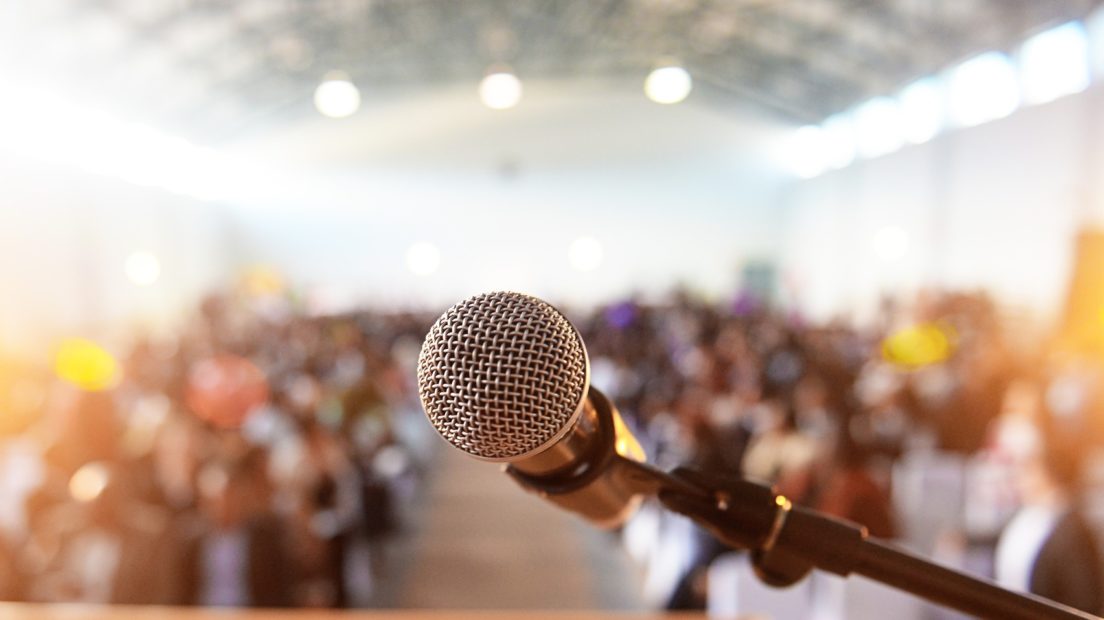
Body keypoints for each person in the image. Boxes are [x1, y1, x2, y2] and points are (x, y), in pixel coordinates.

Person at [995, 437, 1103, 614]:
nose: (1019, 479)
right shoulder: (1026, 516)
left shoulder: (1072, 532)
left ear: (1047, 474)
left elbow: (1083, 598)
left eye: (1028, 471)